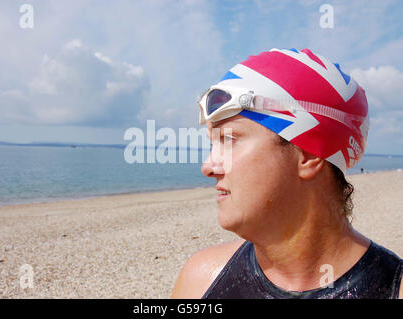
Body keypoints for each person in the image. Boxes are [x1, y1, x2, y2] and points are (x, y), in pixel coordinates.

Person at [172, 48, 402, 299]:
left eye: (229, 140)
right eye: (212, 144)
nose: (208, 167)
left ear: (309, 152)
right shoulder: (201, 278)